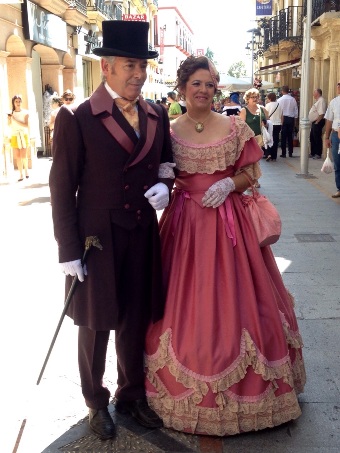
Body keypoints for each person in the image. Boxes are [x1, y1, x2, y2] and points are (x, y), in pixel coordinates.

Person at [144, 55, 305, 437]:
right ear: (182, 87)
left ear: (216, 89)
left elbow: (252, 172)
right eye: (196, 83)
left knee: (243, 299)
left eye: (209, 84)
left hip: (228, 225)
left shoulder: (234, 127)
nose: (203, 90)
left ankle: (254, 394)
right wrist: (166, 183)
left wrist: (228, 184)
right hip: (183, 225)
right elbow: (162, 173)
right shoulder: (167, 130)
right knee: (181, 299)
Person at [49, 20, 174, 441]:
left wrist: (165, 187)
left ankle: (131, 394)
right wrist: (67, 250)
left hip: (140, 232)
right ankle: (95, 401)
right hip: (95, 238)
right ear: (106, 67)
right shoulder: (76, 116)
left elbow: (165, 164)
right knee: (96, 323)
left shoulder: (157, 112)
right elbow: (63, 186)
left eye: (142, 66)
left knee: (135, 317)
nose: (138, 74)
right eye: (129, 65)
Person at [239, 88, 269, 187]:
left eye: (256, 97)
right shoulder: (244, 110)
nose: (254, 99)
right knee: (249, 162)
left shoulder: (262, 109)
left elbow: (267, 121)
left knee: (256, 161)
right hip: (248, 140)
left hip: (258, 139)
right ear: (247, 99)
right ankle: (248, 180)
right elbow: (241, 126)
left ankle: (255, 180)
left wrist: (264, 124)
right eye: (252, 97)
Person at [324, 81, 340, 198]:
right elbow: (329, 120)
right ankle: (339, 188)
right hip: (335, 136)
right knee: (337, 163)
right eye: (338, 85)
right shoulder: (334, 102)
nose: (338, 88)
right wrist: (327, 137)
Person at [8, 95, 29, 181]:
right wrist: (10, 119)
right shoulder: (11, 113)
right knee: (17, 156)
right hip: (14, 135)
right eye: (16, 101)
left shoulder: (25, 113)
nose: (18, 103)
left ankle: (26, 171)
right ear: (13, 102)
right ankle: (20, 174)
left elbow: (26, 125)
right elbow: (9, 125)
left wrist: (15, 119)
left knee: (24, 155)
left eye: (19, 101)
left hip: (23, 135)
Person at [277, 86, 298, 158]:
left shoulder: (279, 100)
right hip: (291, 119)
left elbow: (278, 111)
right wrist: (295, 119)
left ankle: (283, 153)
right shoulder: (293, 99)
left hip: (283, 119)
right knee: (290, 136)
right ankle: (290, 152)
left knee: (283, 136)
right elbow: (296, 110)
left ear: (282, 91)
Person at [308, 88, 327, 159]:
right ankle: (313, 152)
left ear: (318, 93)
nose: (313, 94)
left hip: (318, 121)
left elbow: (321, 113)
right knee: (312, 137)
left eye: (314, 92)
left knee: (317, 137)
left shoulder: (321, 101)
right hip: (315, 122)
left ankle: (318, 153)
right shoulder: (318, 101)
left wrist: (317, 122)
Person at [265, 92, 283, 162]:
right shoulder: (279, 105)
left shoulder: (267, 105)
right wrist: (282, 123)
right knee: (275, 140)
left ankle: (269, 154)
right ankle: (274, 156)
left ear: (269, 98)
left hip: (270, 124)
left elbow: (266, 115)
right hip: (278, 124)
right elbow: (282, 115)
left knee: (269, 139)